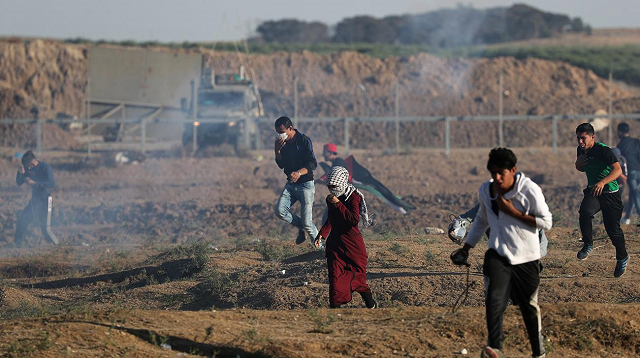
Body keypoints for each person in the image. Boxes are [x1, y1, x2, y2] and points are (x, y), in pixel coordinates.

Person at [450, 148, 552, 358]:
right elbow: (478, 219)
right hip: (500, 254)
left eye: (501, 173)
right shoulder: (488, 192)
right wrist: (466, 248)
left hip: (527, 255)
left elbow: (545, 223)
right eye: (493, 173)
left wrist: (514, 213)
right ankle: (495, 346)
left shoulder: (529, 191)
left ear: (513, 170)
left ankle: (538, 350)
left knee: (527, 305)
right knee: (494, 299)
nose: (496, 178)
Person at [314, 166, 377, 308]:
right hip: (335, 245)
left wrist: (338, 204)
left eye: (334, 186)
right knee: (335, 277)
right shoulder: (332, 198)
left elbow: (353, 220)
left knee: (358, 278)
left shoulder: (354, 197)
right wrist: (322, 234)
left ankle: (371, 304)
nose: (331, 189)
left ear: (341, 183)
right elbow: (331, 219)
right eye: (329, 186)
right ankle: (335, 310)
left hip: (352, 244)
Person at [575, 123, 629, 277]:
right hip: (594, 191)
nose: (580, 142)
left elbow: (617, 170)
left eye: (583, 138)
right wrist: (577, 165)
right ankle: (588, 244)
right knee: (585, 212)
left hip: (610, 193)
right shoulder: (580, 149)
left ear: (592, 137)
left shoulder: (603, 150)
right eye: (578, 138)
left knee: (613, 230)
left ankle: (622, 257)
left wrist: (603, 182)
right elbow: (582, 167)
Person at [318, 142, 416, 215]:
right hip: (362, 176)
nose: (323, 155)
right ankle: (405, 208)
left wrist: (322, 178)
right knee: (383, 192)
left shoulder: (338, 162)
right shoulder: (337, 162)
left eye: (324, 152)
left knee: (382, 193)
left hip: (360, 178)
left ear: (330, 153)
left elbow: (335, 175)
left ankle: (404, 209)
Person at [273, 116, 319, 245]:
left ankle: (320, 248)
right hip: (291, 184)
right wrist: (277, 150)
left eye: (282, 132)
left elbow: (313, 163)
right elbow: (281, 165)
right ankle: (300, 226)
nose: (280, 135)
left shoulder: (304, 141)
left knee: (308, 222)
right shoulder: (283, 144)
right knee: (280, 211)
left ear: (290, 128)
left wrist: (299, 173)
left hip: (306, 184)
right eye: (278, 132)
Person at [15, 150, 59, 247]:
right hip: (34, 201)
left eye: (29, 165)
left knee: (45, 229)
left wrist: (35, 184)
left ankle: (57, 248)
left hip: (45, 200)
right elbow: (19, 182)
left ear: (33, 163)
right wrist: (20, 173)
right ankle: (16, 246)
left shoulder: (45, 167)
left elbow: (51, 183)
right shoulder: (26, 167)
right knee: (22, 221)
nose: (28, 168)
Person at [616, 122, 640, 224]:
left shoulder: (620, 145)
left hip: (631, 172)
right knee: (633, 194)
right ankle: (627, 218)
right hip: (639, 170)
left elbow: (619, 161)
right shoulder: (636, 141)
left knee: (635, 192)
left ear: (620, 132)